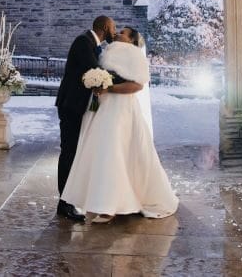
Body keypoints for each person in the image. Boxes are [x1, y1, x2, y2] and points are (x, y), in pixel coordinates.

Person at [61, 27, 179, 223]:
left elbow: (138, 85)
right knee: (101, 153)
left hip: (121, 110)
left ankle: (111, 206)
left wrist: (111, 88)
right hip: (103, 109)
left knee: (114, 152)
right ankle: (101, 200)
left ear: (131, 40)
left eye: (122, 33)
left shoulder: (135, 55)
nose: (117, 34)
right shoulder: (107, 52)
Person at [55, 15, 116, 222]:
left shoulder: (91, 42)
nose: (114, 32)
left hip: (77, 105)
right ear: (105, 27)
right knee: (68, 153)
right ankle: (63, 204)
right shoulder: (84, 42)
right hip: (71, 105)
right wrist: (117, 79)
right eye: (113, 28)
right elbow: (95, 70)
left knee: (73, 152)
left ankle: (67, 200)